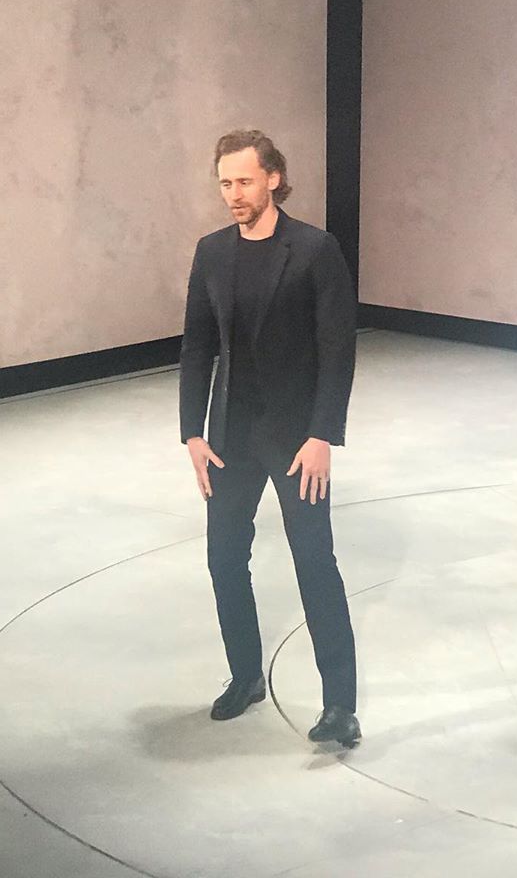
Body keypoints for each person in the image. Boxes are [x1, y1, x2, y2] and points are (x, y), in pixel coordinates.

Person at [179, 129, 361, 748]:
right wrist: (192, 432)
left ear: (274, 179)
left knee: (315, 562)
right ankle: (245, 676)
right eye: (225, 183)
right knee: (225, 558)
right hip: (229, 436)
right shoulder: (211, 252)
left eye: (245, 181)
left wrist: (322, 434)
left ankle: (340, 706)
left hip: (295, 440)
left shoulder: (314, 249)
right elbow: (197, 345)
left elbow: (338, 349)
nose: (234, 193)